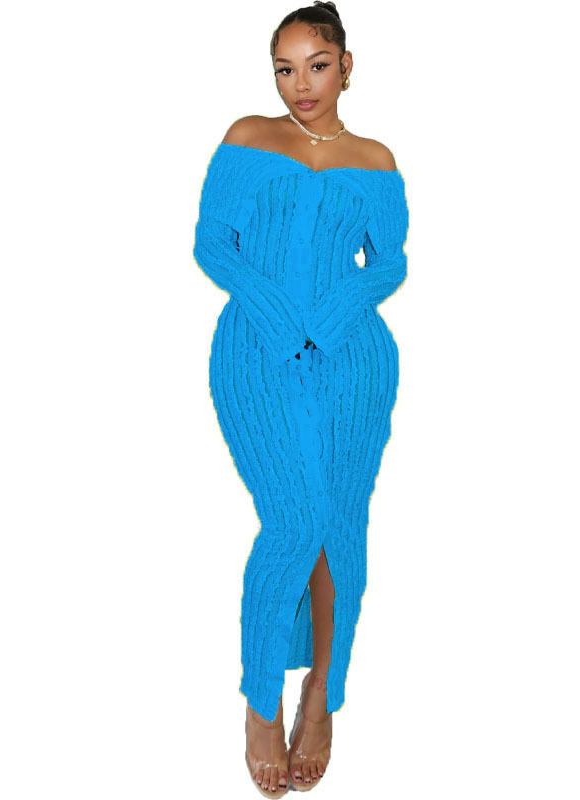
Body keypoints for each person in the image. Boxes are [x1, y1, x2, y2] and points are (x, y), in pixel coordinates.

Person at [192, 2, 409, 795]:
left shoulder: (376, 159)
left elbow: (390, 263)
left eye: (316, 65)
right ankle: (262, 700)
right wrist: (285, 321)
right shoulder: (249, 136)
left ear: (346, 66)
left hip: (354, 363)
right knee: (294, 522)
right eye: (284, 69)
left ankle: (322, 691)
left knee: (339, 525)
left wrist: (335, 314)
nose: (300, 84)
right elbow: (213, 243)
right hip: (256, 353)